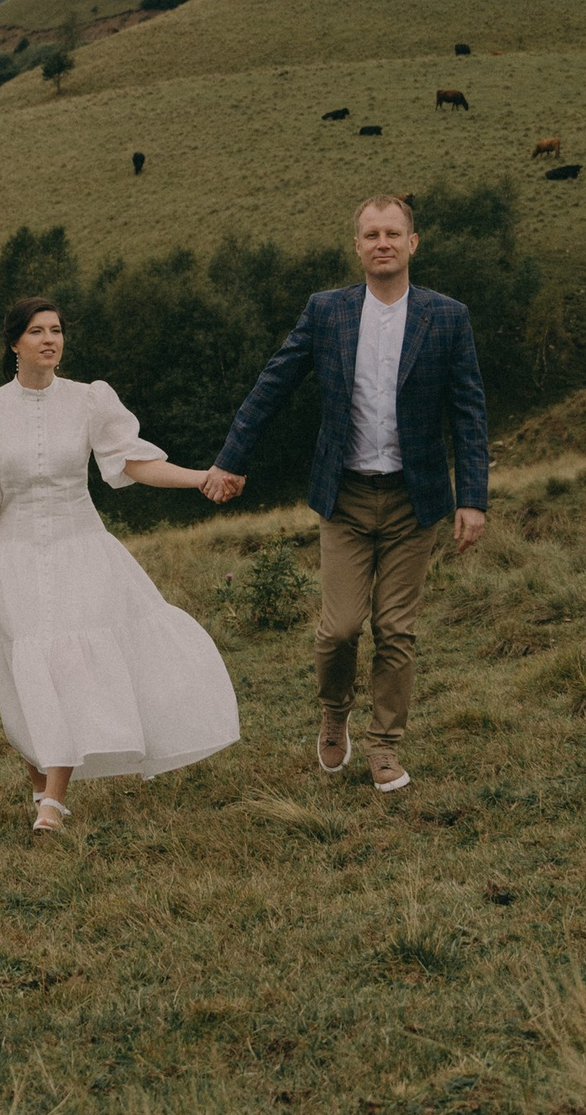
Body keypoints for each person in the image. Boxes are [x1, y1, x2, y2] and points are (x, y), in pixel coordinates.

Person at [201, 196, 487, 794]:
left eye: (393, 233)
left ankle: (385, 747)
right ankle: (335, 712)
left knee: (396, 630)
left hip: (416, 500)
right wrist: (232, 458)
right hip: (345, 496)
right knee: (339, 629)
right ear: (356, 246)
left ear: (413, 244)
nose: (382, 242)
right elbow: (273, 382)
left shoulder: (448, 316)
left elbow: (468, 411)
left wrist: (473, 497)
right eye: (370, 234)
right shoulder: (326, 312)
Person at [0, 296, 241, 834]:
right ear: (14, 343)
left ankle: (52, 803)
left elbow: (132, 463)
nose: (49, 340)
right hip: (15, 555)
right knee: (26, 667)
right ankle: (41, 784)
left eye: (57, 331)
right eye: (37, 331)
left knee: (65, 663)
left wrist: (199, 476)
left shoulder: (89, 400)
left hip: (80, 548)